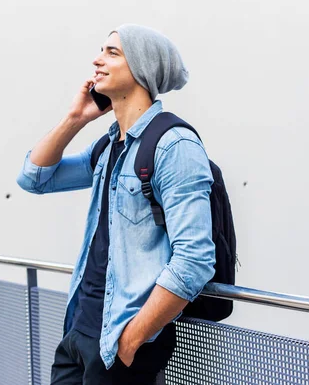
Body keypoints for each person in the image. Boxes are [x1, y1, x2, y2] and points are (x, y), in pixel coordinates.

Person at [16, 24, 216, 384]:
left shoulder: (174, 146)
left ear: (142, 68)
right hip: (79, 332)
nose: (97, 59)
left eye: (112, 52)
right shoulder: (109, 149)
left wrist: (131, 340)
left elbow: (194, 261)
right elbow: (34, 178)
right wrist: (75, 119)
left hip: (120, 348)